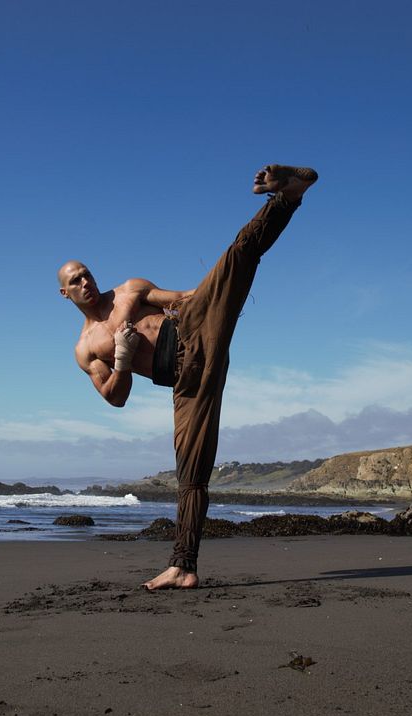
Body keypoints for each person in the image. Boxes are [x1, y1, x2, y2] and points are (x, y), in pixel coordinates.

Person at [58, 164, 318, 589]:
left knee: (238, 255)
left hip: (196, 327)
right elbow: (114, 397)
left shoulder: (129, 291)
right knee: (191, 472)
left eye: (85, 273)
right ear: (64, 293)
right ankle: (184, 566)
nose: (84, 282)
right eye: (75, 280)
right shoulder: (86, 348)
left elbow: (183, 298)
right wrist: (122, 359)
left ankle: (289, 195)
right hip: (185, 380)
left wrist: (221, 290)